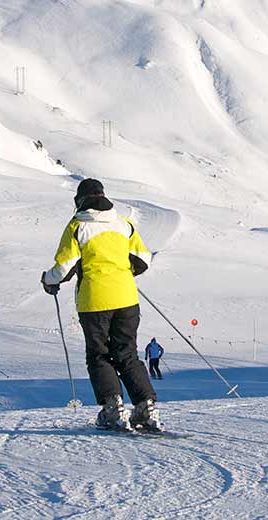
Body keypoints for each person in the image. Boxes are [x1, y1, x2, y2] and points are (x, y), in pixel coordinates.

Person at [41, 178, 161, 431]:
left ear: (80, 201)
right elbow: (143, 260)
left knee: (98, 354)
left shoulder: (77, 226)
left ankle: (113, 409)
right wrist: (120, 272)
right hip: (127, 298)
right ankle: (146, 408)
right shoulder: (123, 223)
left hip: (94, 300)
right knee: (127, 353)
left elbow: (65, 267)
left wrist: (48, 280)